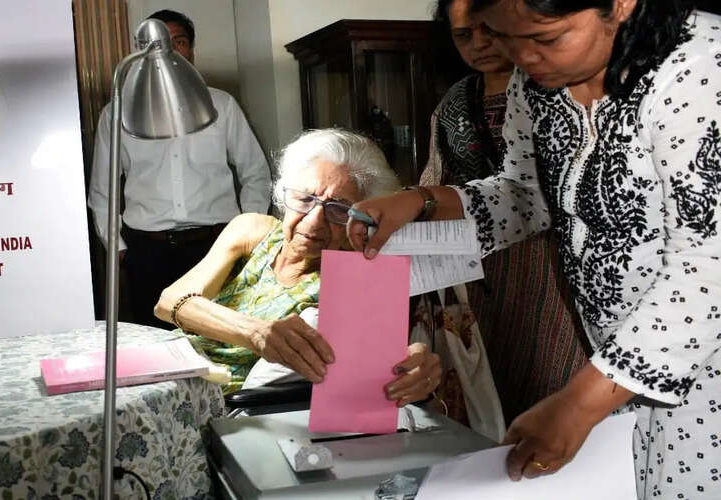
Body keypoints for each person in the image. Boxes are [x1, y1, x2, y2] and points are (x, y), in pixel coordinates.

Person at [348, 1, 719, 497]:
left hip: (702, 370)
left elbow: (707, 266)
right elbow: (527, 195)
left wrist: (579, 402)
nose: (524, 59)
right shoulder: (538, 85)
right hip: (615, 368)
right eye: (505, 37)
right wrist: (422, 202)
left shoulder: (700, 69)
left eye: (545, 39)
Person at [155, 129, 440, 403]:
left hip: (217, 401)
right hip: (165, 366)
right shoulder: (252, 230)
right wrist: (257, 332)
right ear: (284, 195)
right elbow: (168, 303)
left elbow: (381, 357)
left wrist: (411, 366)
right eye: (304, 199)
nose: (314, 220)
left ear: (364, 218)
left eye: (339, 210)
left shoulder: (351, 277)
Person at [422, 0, 586, 424]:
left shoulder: (558, 86)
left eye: (488, 30)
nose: (480, 44)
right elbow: (437, 182)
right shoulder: (455, 104)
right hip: (479, 275)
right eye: (463, 35)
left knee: (557, 381)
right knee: (495, 385)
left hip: (555, 272)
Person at [87, 9, 271, 329]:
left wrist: (245, 237)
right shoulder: (116, 113)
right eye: (158, 43)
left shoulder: (221, 104)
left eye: (179, 41)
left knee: (218, 341)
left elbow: (255, 172)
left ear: (192, 49)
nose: (169, 50)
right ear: (140, 50)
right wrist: (118, 248)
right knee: (156, 345)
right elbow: (103, 190)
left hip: (216, 247)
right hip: (148, 252)